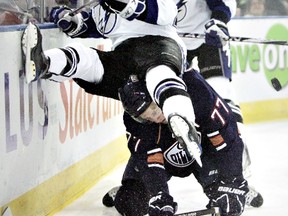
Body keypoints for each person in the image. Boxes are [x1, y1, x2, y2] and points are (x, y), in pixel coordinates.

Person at [22, 0, 202, 166]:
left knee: (158, 74)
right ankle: (44, 64)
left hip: (159, 45)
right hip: (124, 58)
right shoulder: (102, 9)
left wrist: (128, 4)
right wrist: (68, 20)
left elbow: (164, 11)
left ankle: (181, 116)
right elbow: (87, 25)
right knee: (86, 60)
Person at [102, 69, 249, 216]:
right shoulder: (134, 122)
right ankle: (124, 189)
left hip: (204, 152)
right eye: (145, 116)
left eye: (154, 110)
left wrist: (233, 180)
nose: (155, 118)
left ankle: (239, 182)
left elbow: (227, 138)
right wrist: (160, 197)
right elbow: (150, 161)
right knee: (130, 203)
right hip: (164, 158)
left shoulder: (196, 90)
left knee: (229, 205)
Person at [175, 0, 263, 207]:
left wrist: (219, 21)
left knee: (223, 99)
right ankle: (143, 178)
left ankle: (238, 178)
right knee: (167, 106)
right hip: (171, 40)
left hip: (209, 36)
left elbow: (223, 4)